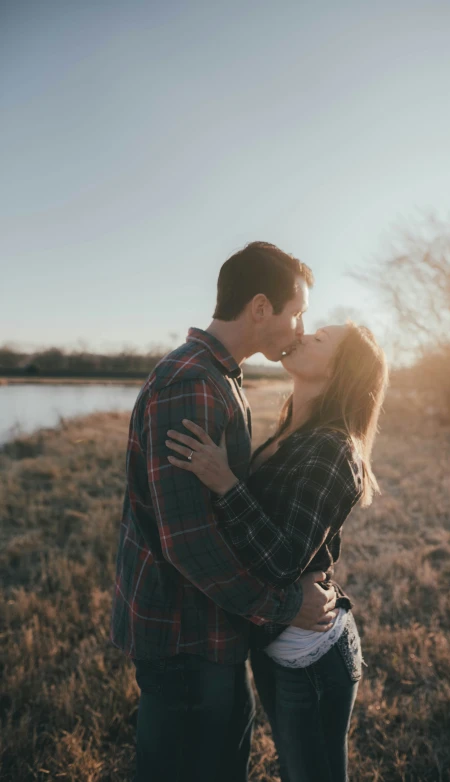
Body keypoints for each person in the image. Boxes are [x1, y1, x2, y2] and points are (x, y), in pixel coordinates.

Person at [110, 241, 342, 782]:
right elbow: (188, 543)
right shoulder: (191, 383)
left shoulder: (221, 375)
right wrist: (285, 605)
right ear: (261, 307)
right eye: (297, 312)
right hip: (184, 635)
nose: (302, 327)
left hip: (207, 628)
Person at [165, 320, 388, 782]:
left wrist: (225, 482)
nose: (303, 335)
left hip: (312, 654)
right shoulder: (293, 428)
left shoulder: (332, 449)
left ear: (339, 371)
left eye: (320, 340)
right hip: (277, 638)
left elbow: (284, 560)